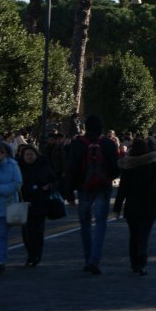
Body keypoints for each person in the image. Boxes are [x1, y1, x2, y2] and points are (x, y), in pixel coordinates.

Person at [65, 114, 120, 275]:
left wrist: (69, 193)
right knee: (101, 224)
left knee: (85, 224)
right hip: (103, 186)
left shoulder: (78, 143)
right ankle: (94, 259)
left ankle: (88, 258)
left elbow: (71, 169)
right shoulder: (108, 143)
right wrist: (109, 176)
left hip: (84, 187)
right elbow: (115, 168)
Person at [113, 139, 156, 275]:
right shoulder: (152, 164)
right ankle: (141, 262)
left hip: (132, 205)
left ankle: (134, 263)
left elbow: (122, 189)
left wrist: (117, 208)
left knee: (133, 235)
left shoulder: (128, 166)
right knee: (144, 235)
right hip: (149, 205)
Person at [17, 144, 57, 267]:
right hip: (24, 202)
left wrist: (49, 186)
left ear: (36, 155)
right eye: (26, 155)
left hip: (40, 202)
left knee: (38, 232)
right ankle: (30, 254)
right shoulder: (18, 167)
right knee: (26, 232)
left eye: (31, 154)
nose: (29, 157)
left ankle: (36, 255)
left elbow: (53, 180)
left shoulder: (43, 165)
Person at [0, 143, 22, 274]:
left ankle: (0, 261)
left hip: (6, 206)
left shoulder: (12, 165)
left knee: (1, 236)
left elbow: (17, 183)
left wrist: (0, 189)